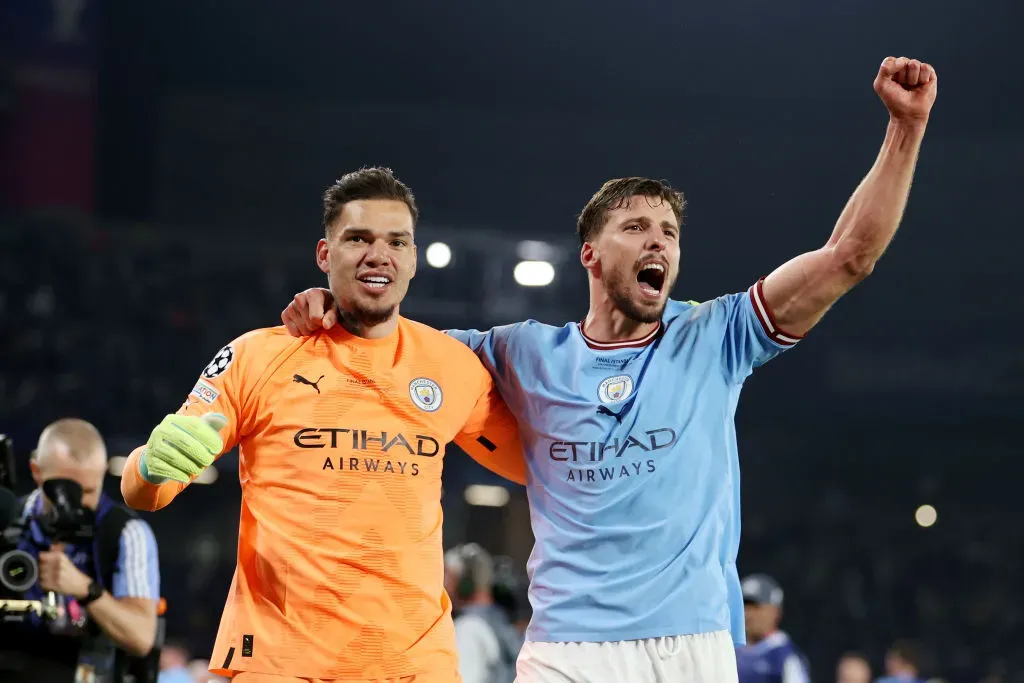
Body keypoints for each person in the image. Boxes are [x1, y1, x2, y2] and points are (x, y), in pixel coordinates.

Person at [282, 57, 938, 682]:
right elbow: (393, 345)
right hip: (567, 645)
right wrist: (334, 309)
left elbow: (848, 256)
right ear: (591, 255)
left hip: (691, 643)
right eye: (636, 226)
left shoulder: (717, 334)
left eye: (669, 230)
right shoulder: (521, 351)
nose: (659, 240)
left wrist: (905, 129)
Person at [120, 167, 526, 683]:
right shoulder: (256, 356)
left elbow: (539, 469)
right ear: (324, 254)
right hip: (279, 664)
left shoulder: (452, 367)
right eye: (358, 238)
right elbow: (143, 493)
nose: (378, 254)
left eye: (396, 241)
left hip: (415, 668)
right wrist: (150, 465)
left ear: (413, 260)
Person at [0, 419, 160, 683]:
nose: (76, 504)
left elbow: (142, 637)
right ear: (36, 471)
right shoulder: (5, 523)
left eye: (87, 491)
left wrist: (86, 589)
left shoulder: (126, 533)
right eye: (63, 490)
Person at [444, 544, 521, 683]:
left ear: (465, 584)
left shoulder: (468, 628)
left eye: (449, 577)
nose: (444, 585)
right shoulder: (499, 618)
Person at [734, 574, 810, 683]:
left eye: (756, 607)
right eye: (744, 606)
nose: (748, 614)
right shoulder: (730, 649)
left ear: (775, 611)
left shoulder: (784, 656)